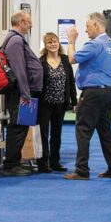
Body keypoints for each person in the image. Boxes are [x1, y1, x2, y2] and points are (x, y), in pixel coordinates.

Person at [64, 13, 111, 180]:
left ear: (97, 26)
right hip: (108, 91)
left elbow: (71, 59)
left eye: (88, 26)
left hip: (93, 92)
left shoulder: (94, 45)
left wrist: (71, 41)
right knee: (105, 130)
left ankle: (81, 170)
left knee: (83, 130)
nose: (86, 30)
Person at [2, 11, 44, 177]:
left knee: (20, 126)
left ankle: (14, 162)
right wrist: (26, 93)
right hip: (21, 92)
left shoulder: (14, 39)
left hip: (21, 91)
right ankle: (11, 164)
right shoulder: (16, 40)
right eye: (28, 22)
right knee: (18, 128)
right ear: (20, 22)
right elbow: (19, 68)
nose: (31, 25)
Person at [37, 32, 77, 173]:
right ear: (46, 45)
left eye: (55, 41)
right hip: (44, 104)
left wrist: (74, 101)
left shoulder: (66, 60)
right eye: (49, 42)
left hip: (60, 104)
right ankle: (42, 163)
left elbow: (71, 82)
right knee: (43, 134)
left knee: (56, 134)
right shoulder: (41, 61)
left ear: (59, 43)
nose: (53, 44)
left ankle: (55, 162)